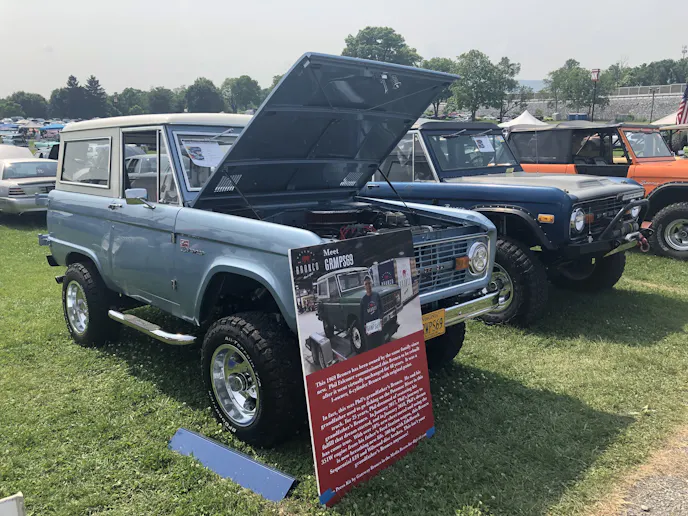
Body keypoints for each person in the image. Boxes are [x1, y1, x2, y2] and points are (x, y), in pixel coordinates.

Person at [359, 276, 384, 351]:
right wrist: (365, 329)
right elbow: (361, 317)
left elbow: (381, 309)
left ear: (371, 284)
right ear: (364, 286)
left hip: (377, 327)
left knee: (381, 346)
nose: (368, 285)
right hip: (369, 330)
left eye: (369, 283)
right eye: (366, 284)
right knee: (371, 348)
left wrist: (381, 319)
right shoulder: (363, 300)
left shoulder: (376, 295)